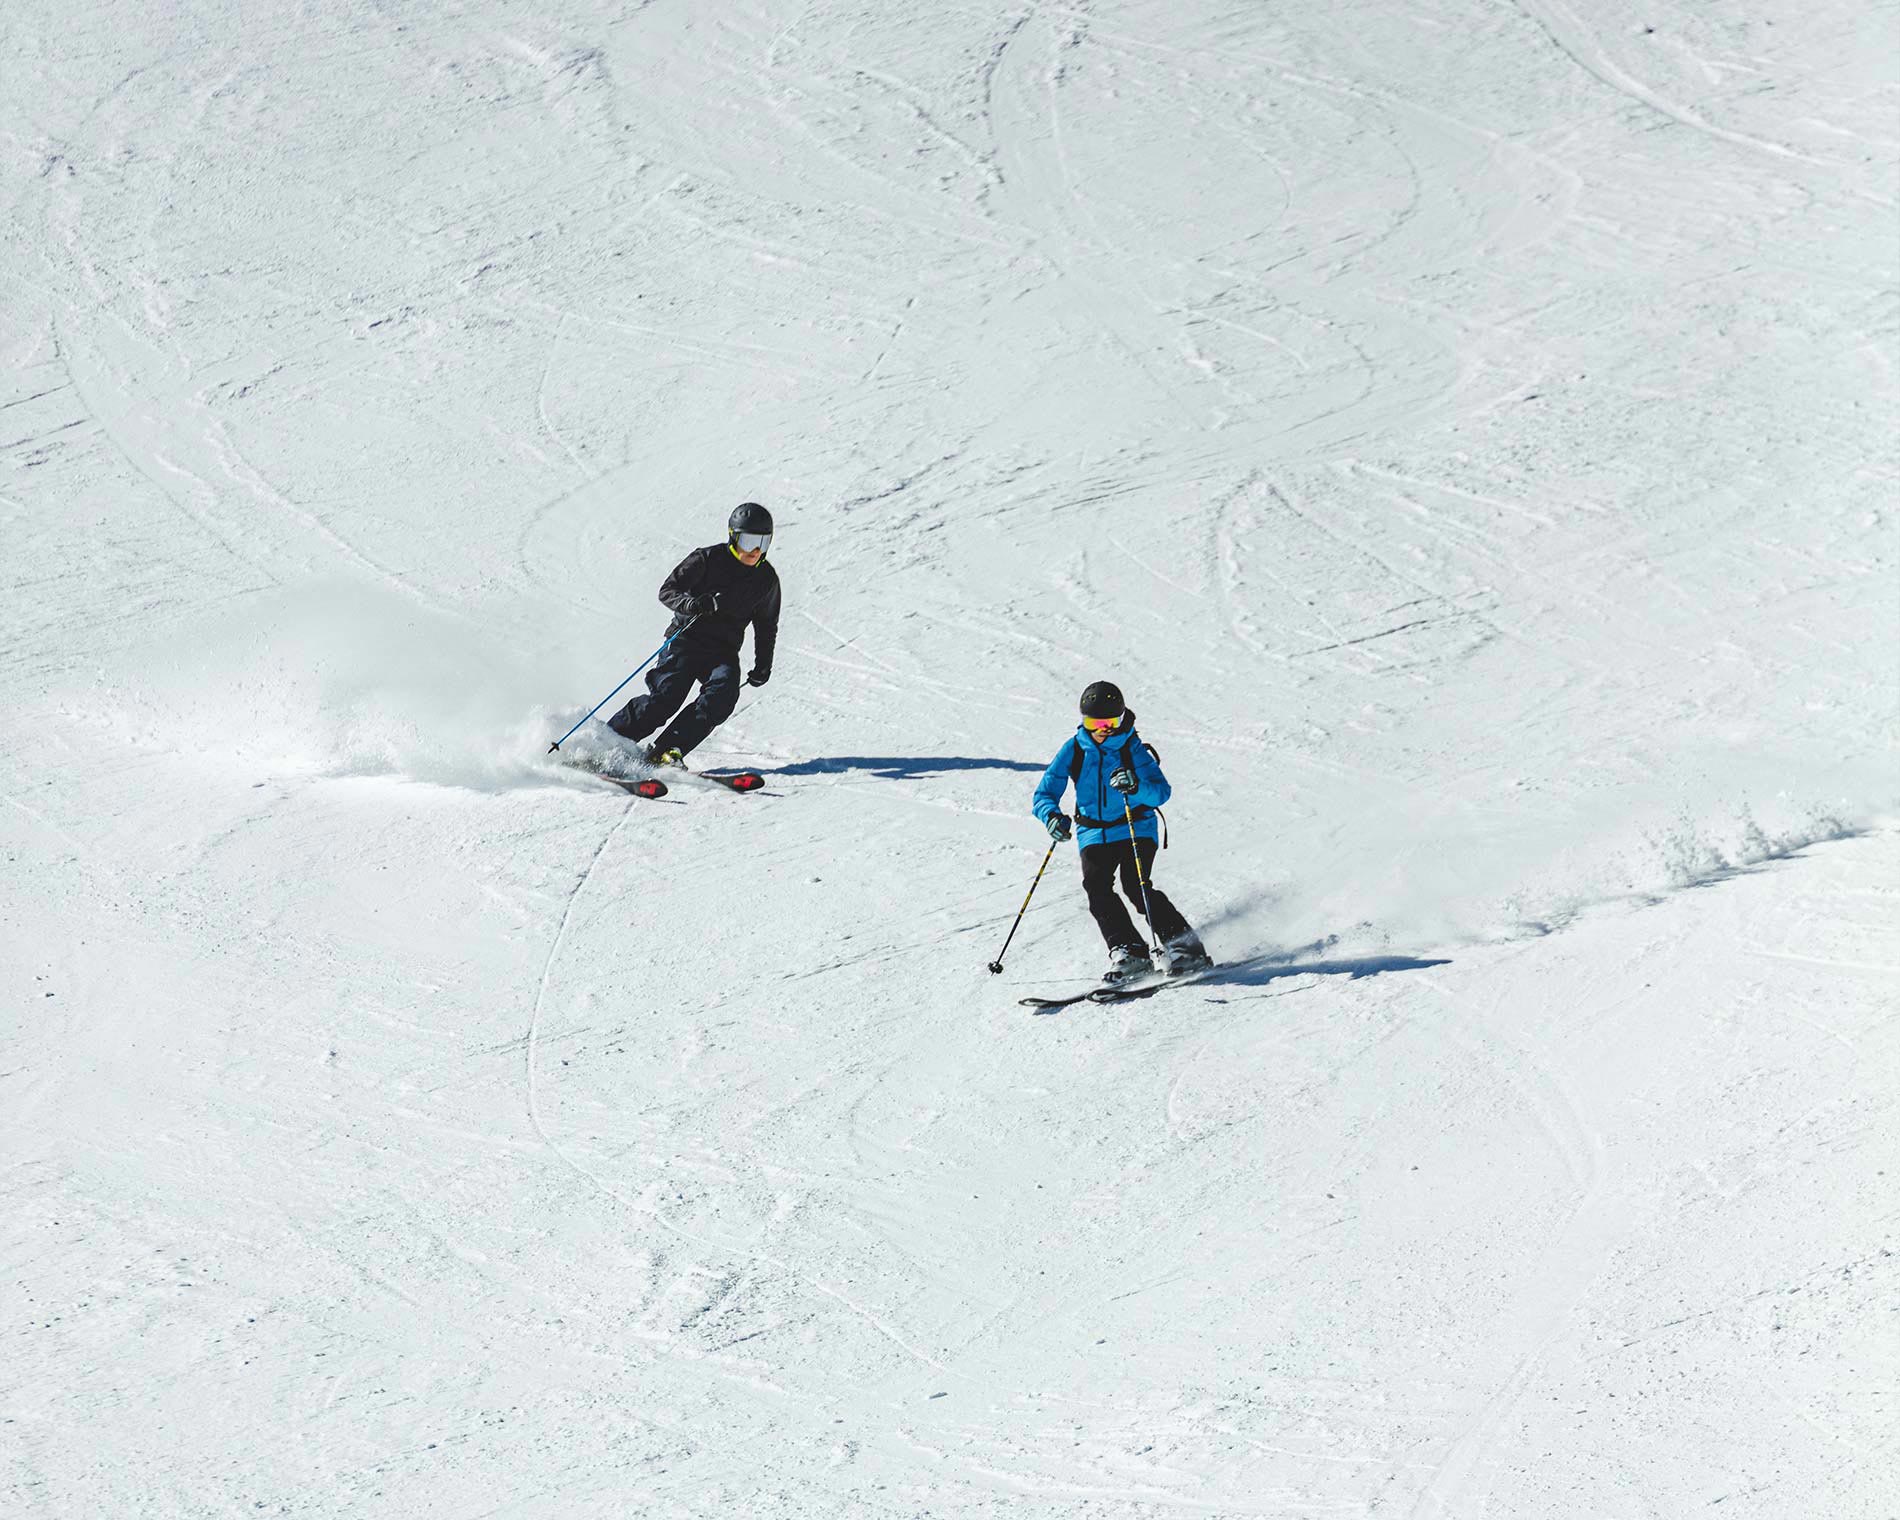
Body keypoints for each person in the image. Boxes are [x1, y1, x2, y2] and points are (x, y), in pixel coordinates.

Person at [1031, 681, 1213, 983]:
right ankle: (1130, 951)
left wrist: (1135, 786)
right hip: (1093, 832)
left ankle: (1185, 947)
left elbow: (1160, 793)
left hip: (1135, 827)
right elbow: (1044, 793)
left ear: (1120, 718)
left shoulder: (1132, 748)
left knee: (1136, 885)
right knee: (1097, 889)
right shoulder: (1075, 748)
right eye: (1093, 722)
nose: (1101, 729)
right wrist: (1051, 816)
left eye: (1109, 722)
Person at [608, 502, 780, 765]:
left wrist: (763, 665)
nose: (755, 551)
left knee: (722, 695)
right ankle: (608, 740)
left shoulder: (766, 580)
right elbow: (668, 590)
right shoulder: (707, 559)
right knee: (666, 698)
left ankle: (667, 750)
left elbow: (766, 625)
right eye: (748, 541)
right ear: (734, 537)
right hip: (685, 641)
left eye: (762, 543)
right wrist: (692, 604)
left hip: (722, 650)